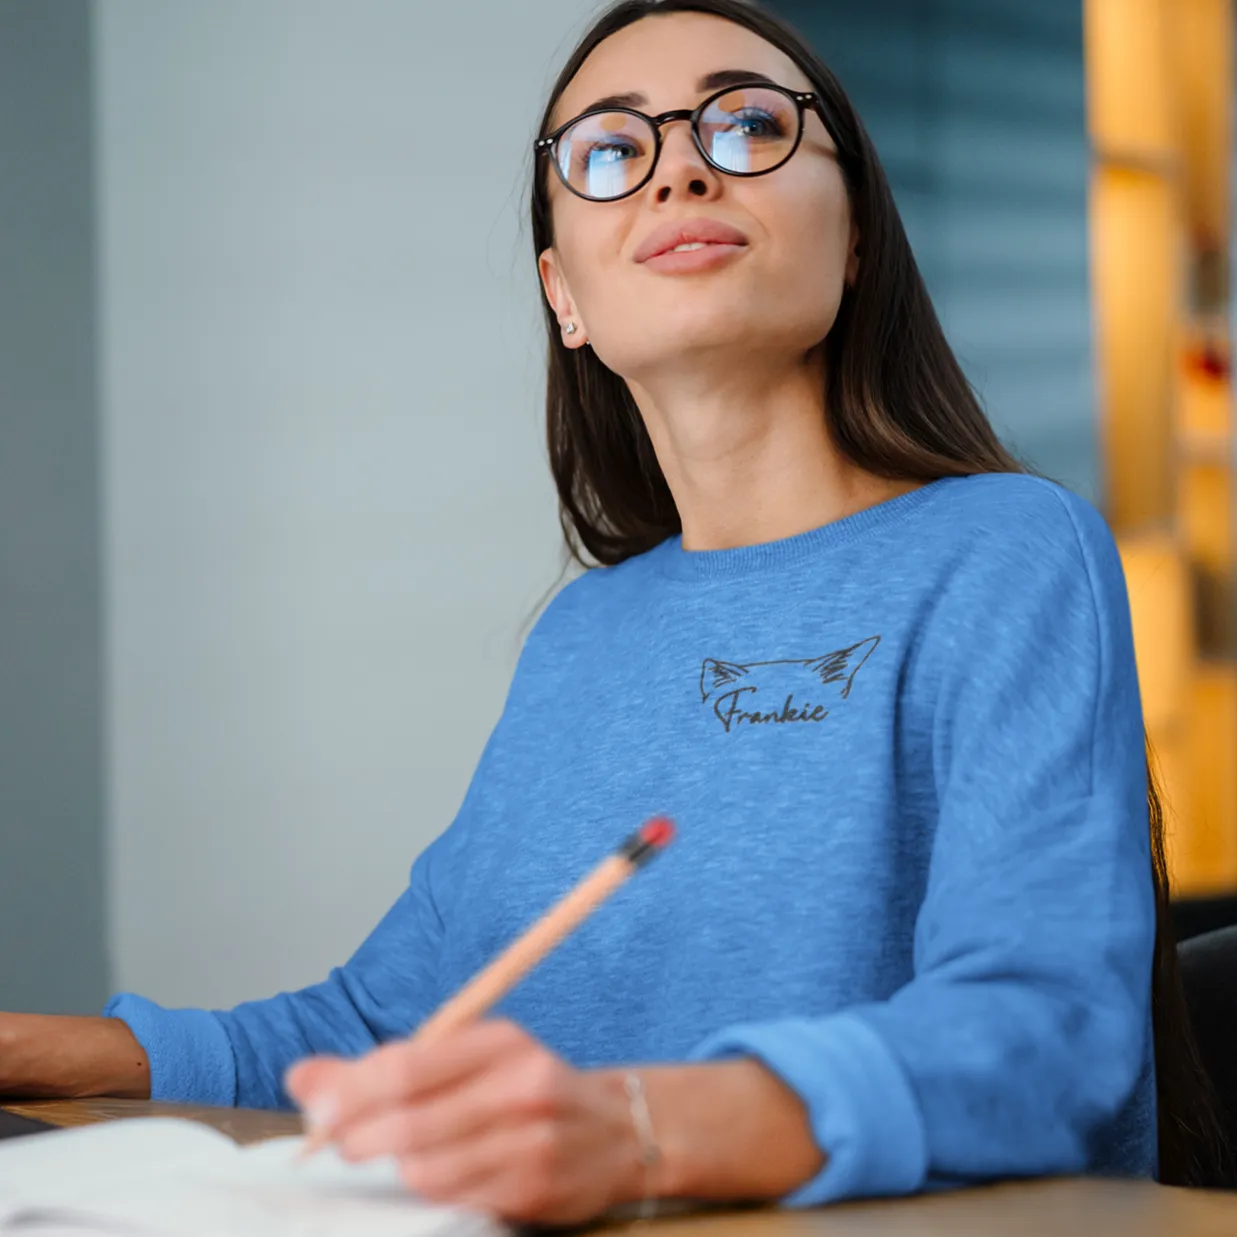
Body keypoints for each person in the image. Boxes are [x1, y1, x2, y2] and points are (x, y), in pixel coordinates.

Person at [1, 0, 1227, 1221]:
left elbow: (1041, 1036)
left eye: (747, 125)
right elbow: (385, 1022)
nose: (683, 169)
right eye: (609, 150)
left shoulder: (1008, 546)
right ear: (562, 294)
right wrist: (42, 1049)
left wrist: (634, 1129)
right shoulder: (580, 637)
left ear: (854, 238)